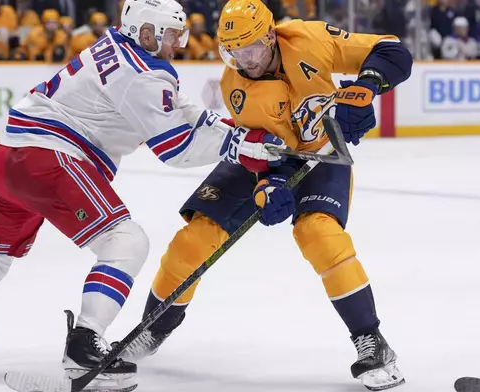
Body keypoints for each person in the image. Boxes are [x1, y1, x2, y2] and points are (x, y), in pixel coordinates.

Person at [0, 0, 288, 391]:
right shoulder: (145, 74)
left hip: (6, 157)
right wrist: (238, 146)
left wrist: (232, 132)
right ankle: (84, 344)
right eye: (171, 35)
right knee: (127, 242)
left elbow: (182, 110)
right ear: (146, 32)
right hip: (48, 160)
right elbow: (177, 148)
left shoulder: (118, 44)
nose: (178, 44)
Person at [120, 0, 413, 390]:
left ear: (271, 36)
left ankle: (372, 341)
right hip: (261, 154)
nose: (244, 59)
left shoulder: (311, 38)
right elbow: (263, 153)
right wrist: (267, 184)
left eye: (251, 48)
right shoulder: (236, 86)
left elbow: (393, 51)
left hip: (324, 154)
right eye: (233, 50)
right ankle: (153, 327)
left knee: (319, 235)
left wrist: (365, 86)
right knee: (195, 238)